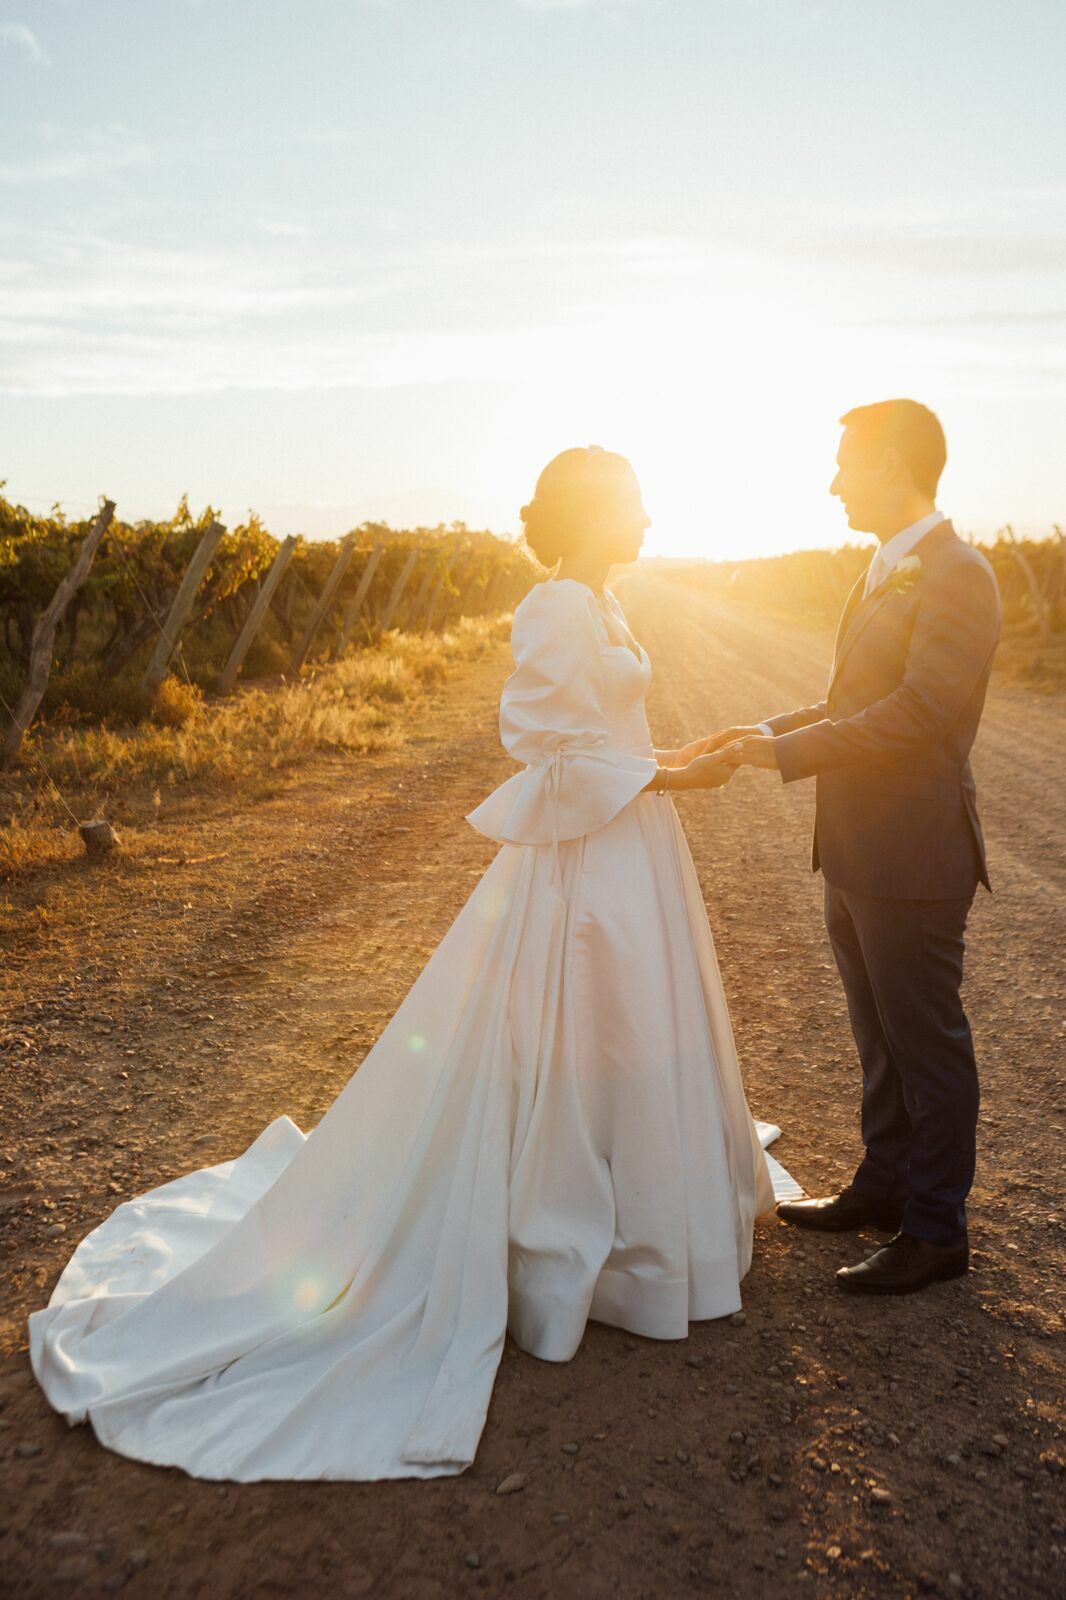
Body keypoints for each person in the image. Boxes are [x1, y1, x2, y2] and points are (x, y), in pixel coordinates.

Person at [27, 445, 796, 1483]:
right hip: (584, 867)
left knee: (634, 1030)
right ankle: (574, 1245)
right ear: (589, 515)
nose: (650, 518)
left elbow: (603, 735)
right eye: (634, 504)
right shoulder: (555, 606)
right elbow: (546, 748)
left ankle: (638, 1232)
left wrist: (673, 762)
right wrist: (670, 782)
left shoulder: (602, 599)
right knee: (581, 1036)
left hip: (632, 844)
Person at [701, 400, 1001, 1296]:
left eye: (847, 464)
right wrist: (758, 731)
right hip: (857, 848)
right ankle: (884, 1185)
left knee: (927, 1043)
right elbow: (850, 697)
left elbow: (917, 713)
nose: (833, 482)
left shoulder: (959, 573)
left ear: (898, 466)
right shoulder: (885, 566)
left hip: (913, 855)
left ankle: (937, 1228)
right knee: (878, 1035)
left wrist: (788, 753)